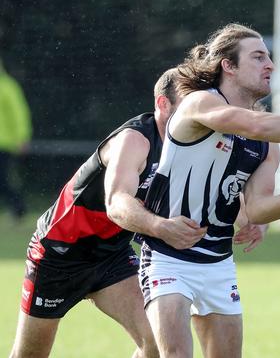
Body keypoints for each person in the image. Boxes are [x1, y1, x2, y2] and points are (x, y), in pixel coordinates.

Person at [135, 23, 280, 358]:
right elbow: (254, 124)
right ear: (229, 65)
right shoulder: (199, 103)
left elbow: (256, 209)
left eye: (269, 57)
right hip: (167, 257)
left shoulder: (266, 143)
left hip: (218, 264)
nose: (270, 64)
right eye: (258, 57)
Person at [9, 68, 208, 358]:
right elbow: (119, 203)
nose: (197, 115)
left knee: (157, 343)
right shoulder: (134, 140)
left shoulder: (186, 147)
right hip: (59, 255)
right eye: (189, 106)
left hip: (111, 256)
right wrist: (162, 227)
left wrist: (250, 219)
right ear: (163, 104)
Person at [0, 58, 31, 219]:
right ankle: (17, 208)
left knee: (2, 179)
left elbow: (19, 114)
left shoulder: (8, 86)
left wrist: (22, 137)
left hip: (4, 143)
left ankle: (18, 208)